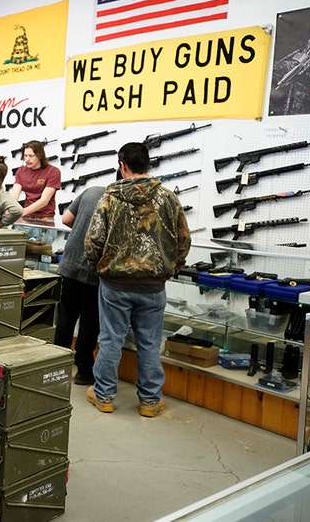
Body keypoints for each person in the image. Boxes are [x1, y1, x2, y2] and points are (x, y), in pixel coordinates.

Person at [84, 142, 190, 417]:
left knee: (110, 341)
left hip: (115, 285)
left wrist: (100, 267)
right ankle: (150, 401)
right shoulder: (168, 198)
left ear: (122, 166)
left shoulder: (109, 198)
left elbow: (93, 241)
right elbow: (183, 240)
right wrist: (172, 268)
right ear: (148, 164)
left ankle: (104, 396)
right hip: (154, 285)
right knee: (150, 344)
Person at [53, 185, 105, 386]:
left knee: (66, 315)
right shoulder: (118, 200)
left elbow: (66, 219)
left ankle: (57, 364)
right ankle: (83, 370)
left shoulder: (92, 191)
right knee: (90, 322)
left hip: (70, 264)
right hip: (93, 270)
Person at [10, 139, 62, 245]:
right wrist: (10, 209)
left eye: (31, 156)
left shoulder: (53, 172)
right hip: (25, 222)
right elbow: (14, 195)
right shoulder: (21, 171)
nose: (27, 159)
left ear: (40, 155)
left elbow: (44, 201)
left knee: (42, 257)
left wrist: (22, 212)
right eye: (25, 156)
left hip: (45, 221)